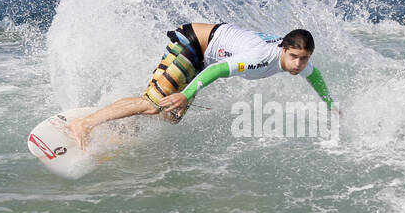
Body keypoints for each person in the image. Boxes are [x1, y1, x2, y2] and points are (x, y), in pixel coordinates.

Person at [67, 22, 334, 149]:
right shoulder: (261, 59)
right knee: (152, 104)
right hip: (192, 44)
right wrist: (185, 93)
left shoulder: (297, 60)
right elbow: (219, 69)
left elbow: (315, 75)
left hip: (204, 56)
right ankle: (85, 124)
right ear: (283, 49)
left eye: (303, 59)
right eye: (294, 57)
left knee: (170, 116)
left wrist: (330, 105)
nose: (298, 64)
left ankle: (121, 126)